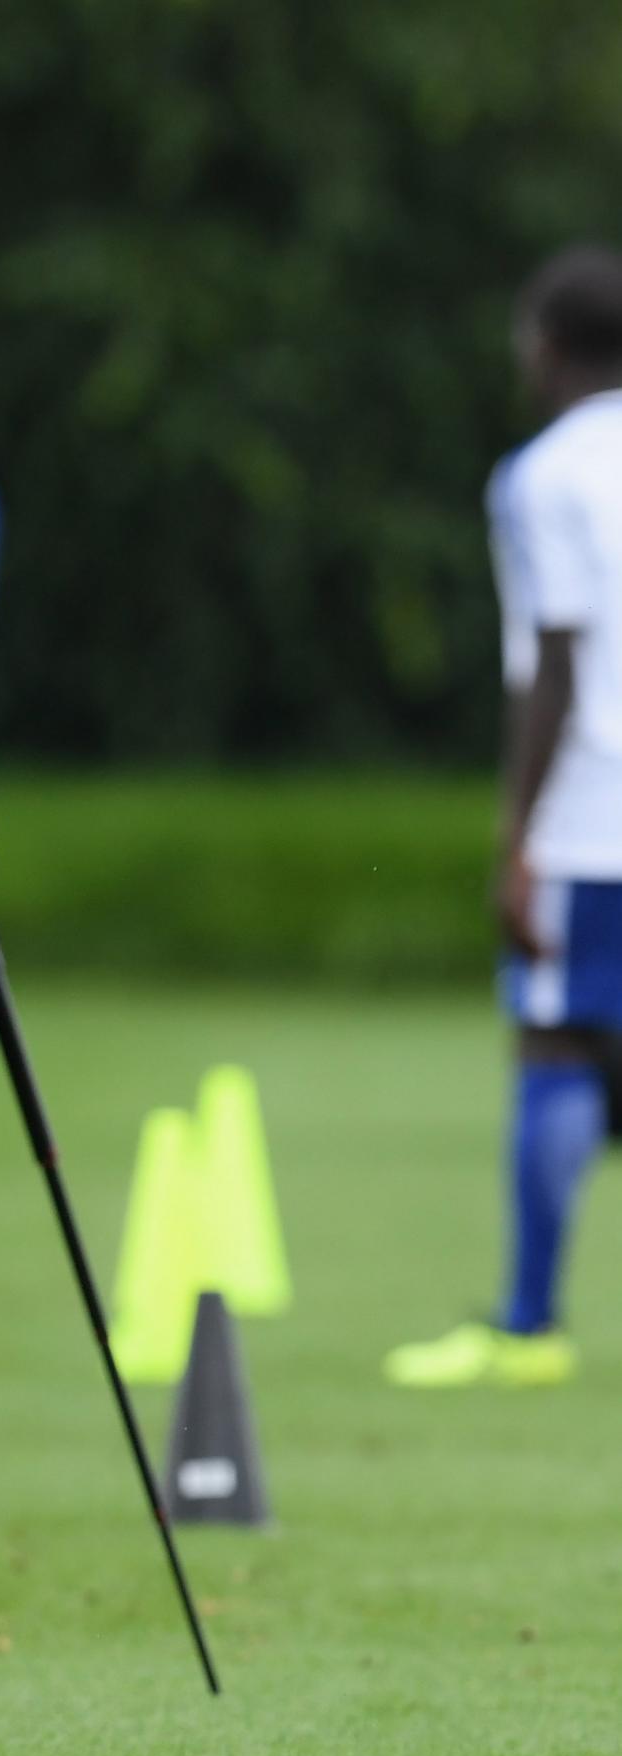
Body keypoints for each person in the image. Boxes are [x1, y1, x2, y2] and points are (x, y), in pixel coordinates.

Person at [386, 245, 622, 1389]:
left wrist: (517, 835)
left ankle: (527, 1324)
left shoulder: (546, 474)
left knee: (555, 1039)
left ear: (544, 344)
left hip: (595, 812)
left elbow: (560, 657)